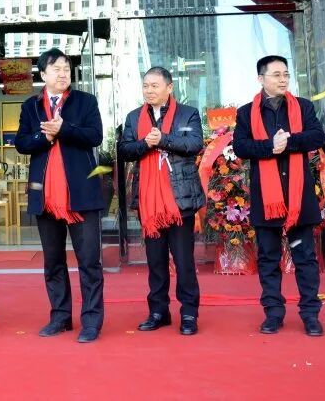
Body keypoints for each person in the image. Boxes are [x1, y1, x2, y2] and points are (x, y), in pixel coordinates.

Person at [233, 55, 325, 337]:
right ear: (261, 79)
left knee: (305, 258)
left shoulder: (303, 107)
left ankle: (310, 315)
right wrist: (269, 147)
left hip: (299, 197)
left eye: (285, 74)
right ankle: (273, 314)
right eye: (276, 75)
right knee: (268, 258)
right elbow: (241, 147)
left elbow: (317, 136)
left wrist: (289, 142)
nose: (283, 79)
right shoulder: (246, 112)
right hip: (266, 198)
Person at [16, 48, 105, 343]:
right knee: (53, 261)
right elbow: (22, 143)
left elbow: (95, 136)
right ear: (43, 75)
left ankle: (91, 321)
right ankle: (60, 316)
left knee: (89, 261)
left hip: (81, 194)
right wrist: (45, 136)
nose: (63, 73)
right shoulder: (31, 106)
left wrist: (64, 129)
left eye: (66, 68)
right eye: (56, 69)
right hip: (46, 197)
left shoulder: (85, 101)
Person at [118, 67, 204, 335]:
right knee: (155, 262)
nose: (149, 90)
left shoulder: (188, 113)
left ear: (169, 87)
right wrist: (146, 143)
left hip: (179, 200)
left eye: (155, 85)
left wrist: (164, 140)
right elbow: (124, 150)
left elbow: (195, 144)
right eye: (146, 86)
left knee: (184, 261)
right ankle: (158, 312)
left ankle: (188, 313)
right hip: (149, 202)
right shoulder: (134, 117)